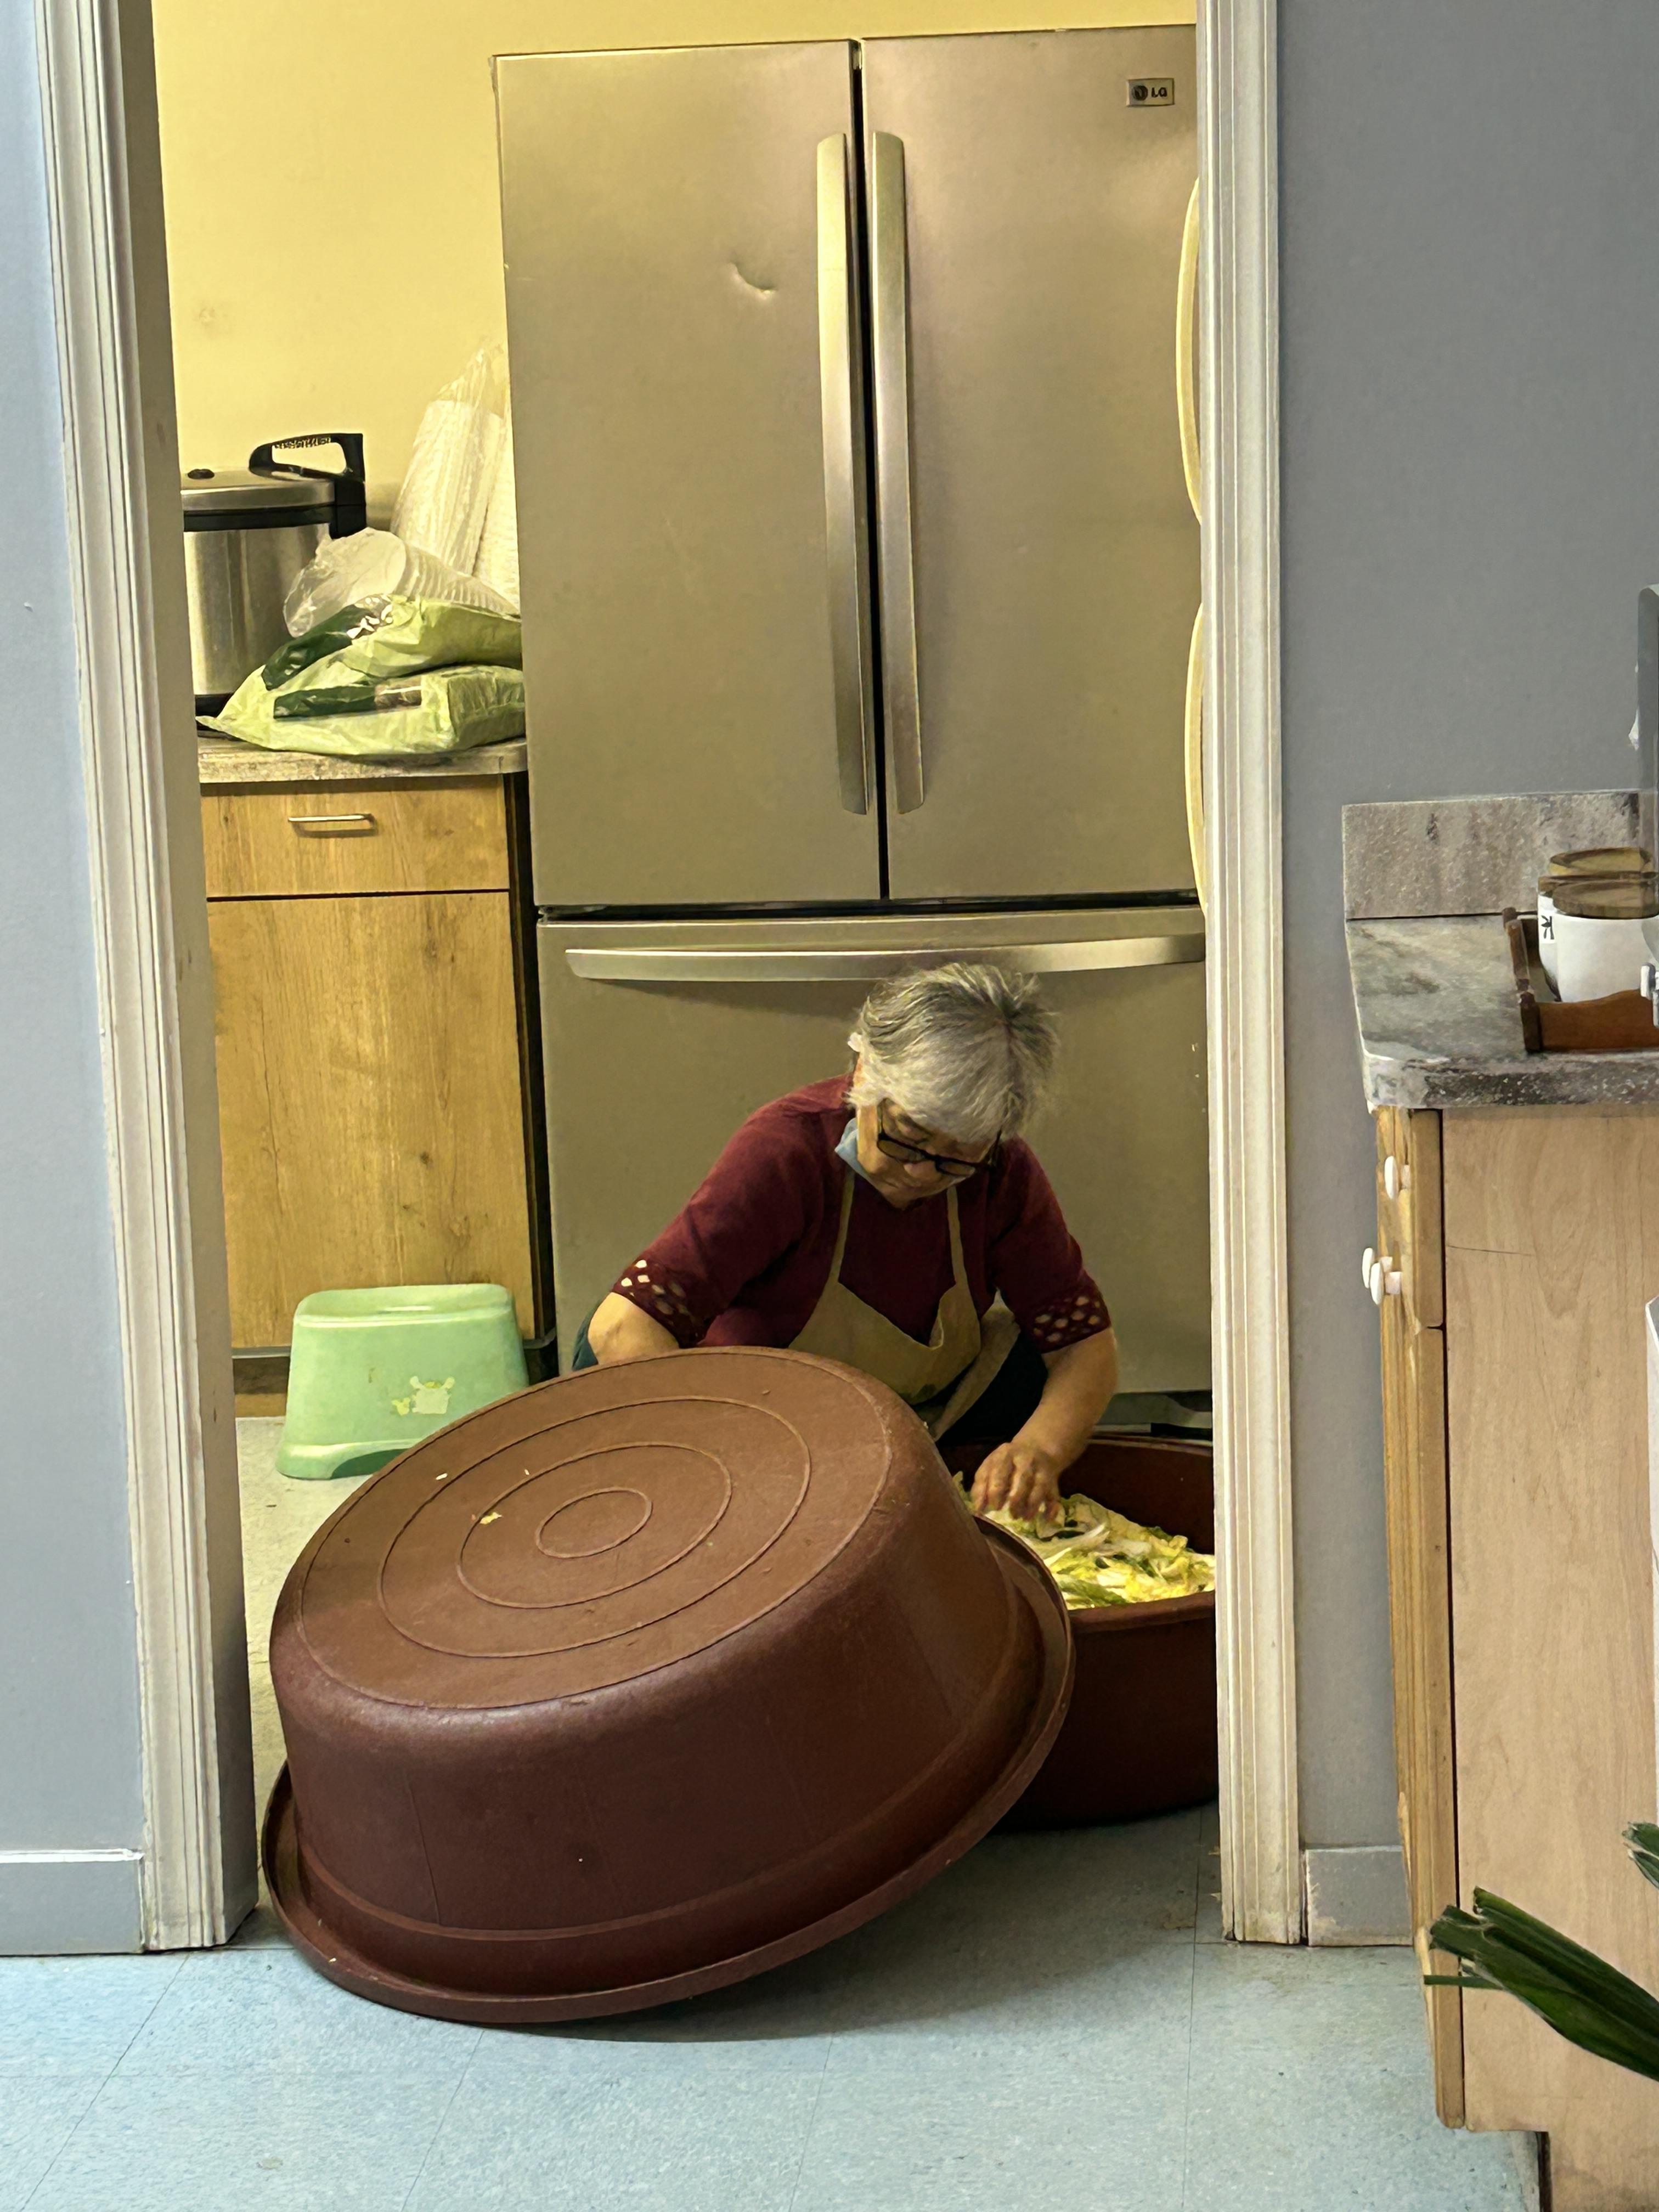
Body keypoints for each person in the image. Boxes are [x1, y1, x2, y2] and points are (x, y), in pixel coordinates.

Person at [581, 963, 1118, 1523]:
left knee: (1026, 1366)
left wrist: (1037, 1452)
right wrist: (725, 1465)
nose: (921, 1173)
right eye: (907, 1137)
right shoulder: (785, 1153)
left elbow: (1083, 1345)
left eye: (956, 1158)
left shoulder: (1001, 1174)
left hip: (921, 1422)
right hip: (761, 1433)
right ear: (865, 1073)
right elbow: (623, 1326)